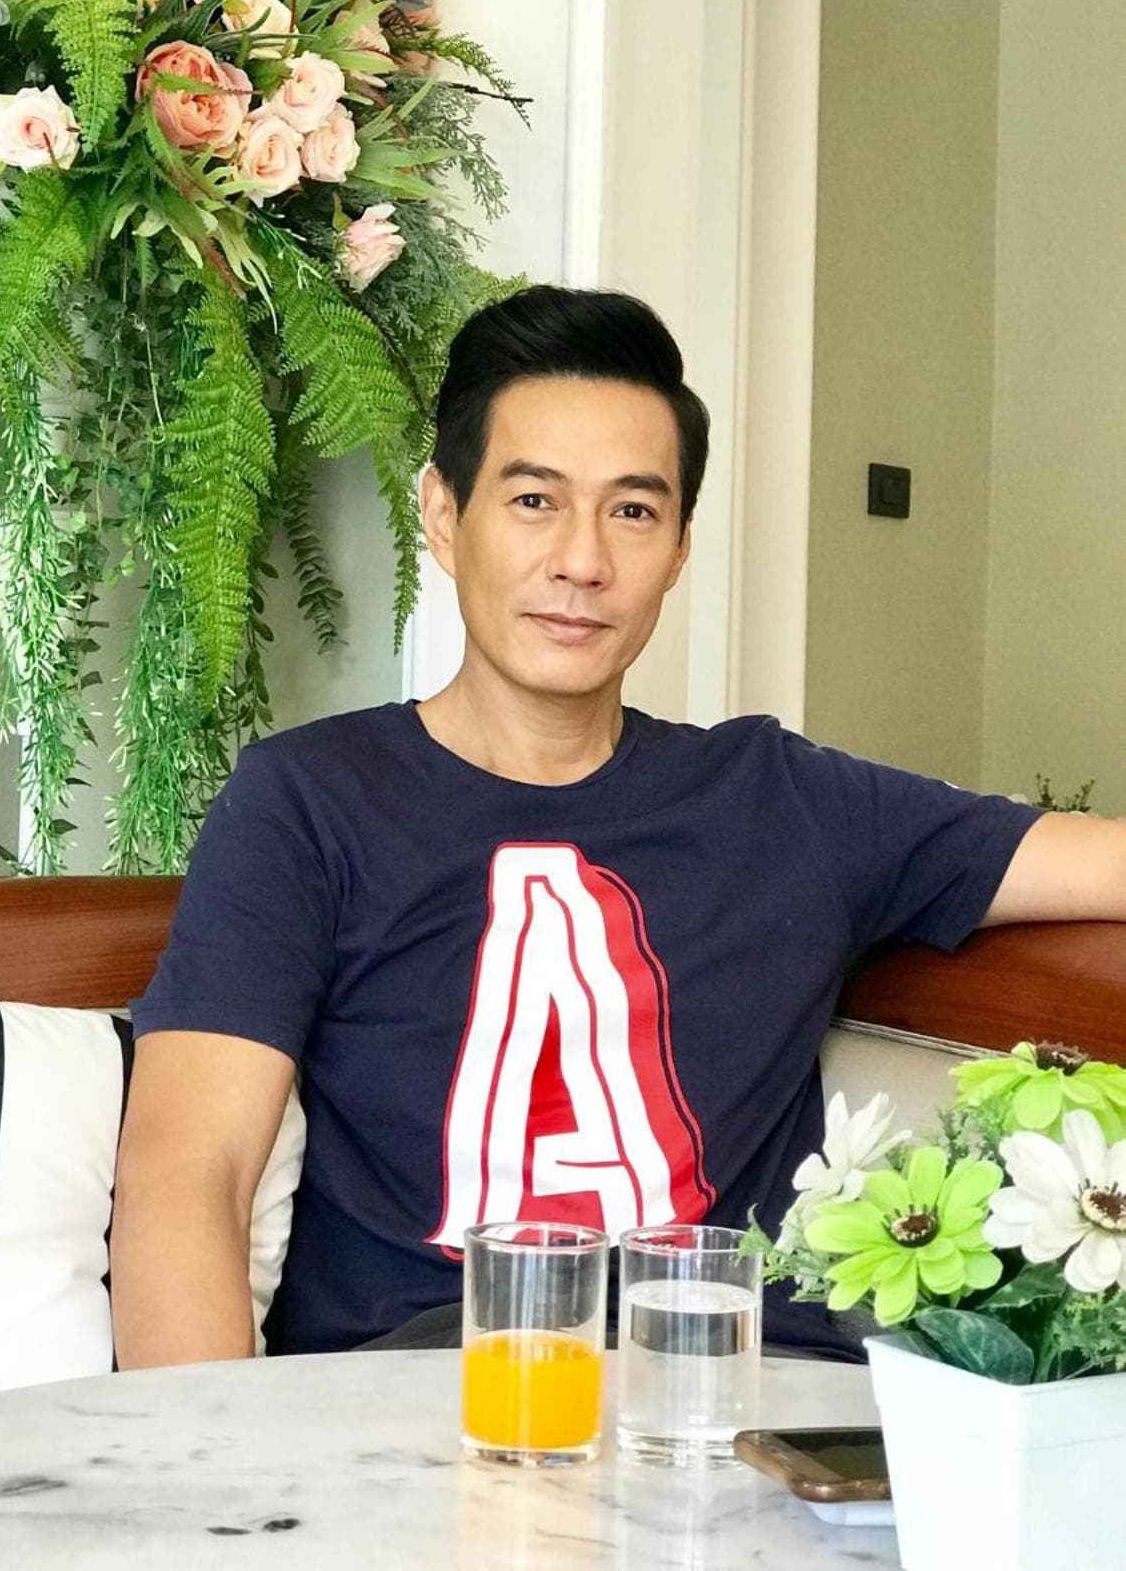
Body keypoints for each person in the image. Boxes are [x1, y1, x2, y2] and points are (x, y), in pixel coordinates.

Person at [111, 285, 1126, 1367]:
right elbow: (190, 1174)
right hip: (425, 1403)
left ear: (680, 546)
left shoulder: (785, 799)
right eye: (534, 500)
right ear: (444, 515)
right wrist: (213, 1466)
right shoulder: (309, 801)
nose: (583, 562)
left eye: (634, 512)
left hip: (745, 1410)